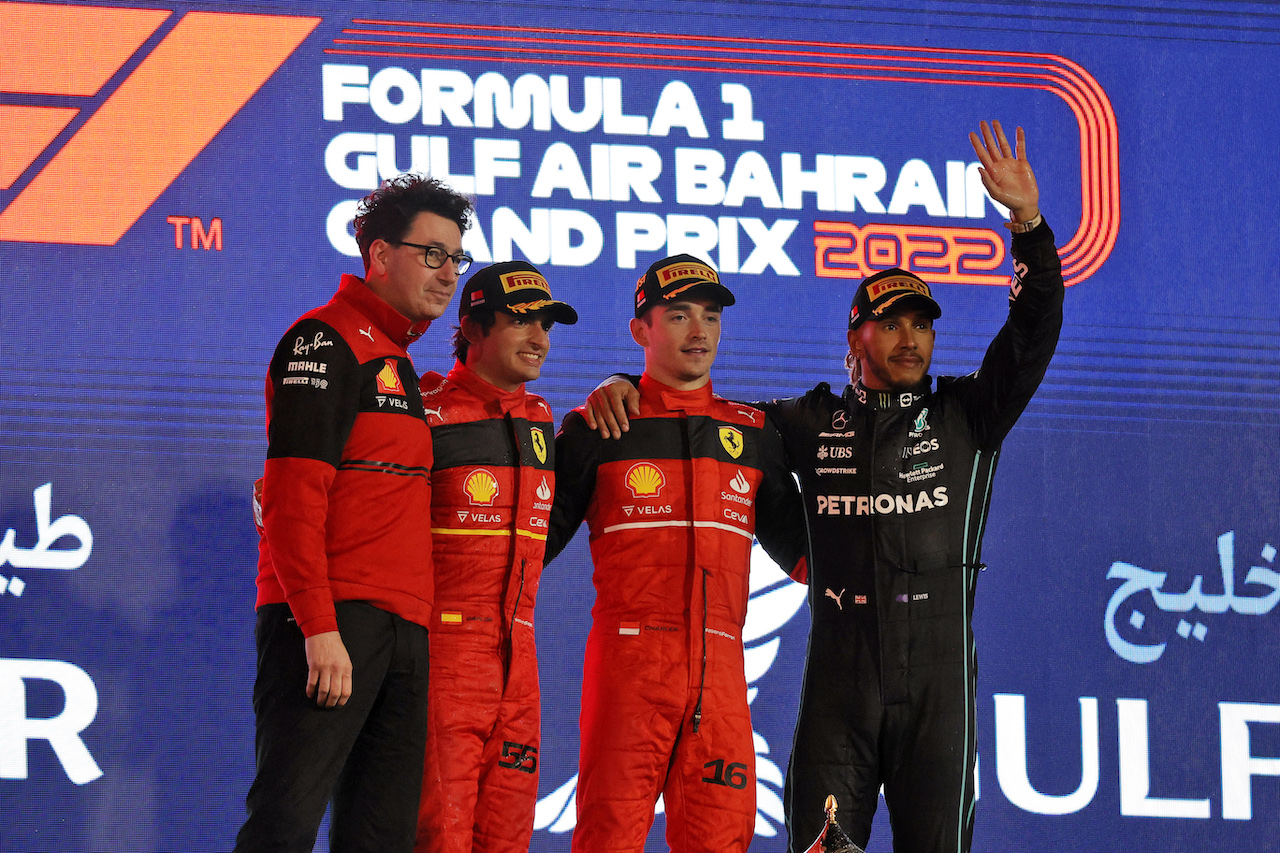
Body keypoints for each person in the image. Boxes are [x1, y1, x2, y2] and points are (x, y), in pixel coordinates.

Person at [582, 121, 1064, 853]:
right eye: (889, 323)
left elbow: (1033, 327)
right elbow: (699, 415)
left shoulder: (971, 413)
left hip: (939, 684)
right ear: (853, 340)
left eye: (921, 325)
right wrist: (622, 382)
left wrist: (1027, 226)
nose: (909, 338)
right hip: (840, 683)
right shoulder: (805, 420)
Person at [235, 174, 473, 853]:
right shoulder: (325, 341)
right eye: (432, 253)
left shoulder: (395, 357)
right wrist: (317, 624)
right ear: (378, 255)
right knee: (284, 824)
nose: (448, 272)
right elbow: (290, 496)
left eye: (457, 257)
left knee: (381, 837)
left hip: (404, 629)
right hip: (329, 623)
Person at [545, 254, 809, 853]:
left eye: (711, 317)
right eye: (680, 316)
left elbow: (807, 556)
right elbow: (528, 546)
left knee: (721, 840)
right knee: (607, 840)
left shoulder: (754, 435)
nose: (699, 332)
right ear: (640, 330)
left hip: (719, 675)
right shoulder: (598, 428)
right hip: (628, 668)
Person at [414, 261, 578, 853]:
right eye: (520, 323)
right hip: (440, 659)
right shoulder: (420, 409)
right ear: (472, 328)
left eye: (547, 326)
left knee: (507, 839)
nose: (539, 340)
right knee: (440, 836)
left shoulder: (540, 420)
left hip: (519, 663)